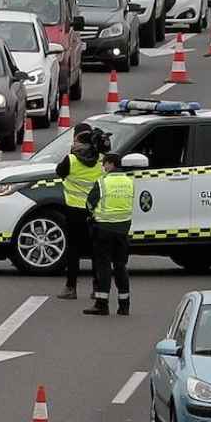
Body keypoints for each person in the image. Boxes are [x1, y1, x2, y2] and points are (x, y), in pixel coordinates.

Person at [55, 124, 105, 299]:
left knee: (74, 249)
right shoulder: (101, 159)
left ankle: (71, 288)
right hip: (95, 211)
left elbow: (59, 172)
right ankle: (97, 288)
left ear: (77, 139)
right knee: (95, 250)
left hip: (74, 210)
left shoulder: (71, 159)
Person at [83, 153, 133, 316]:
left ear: (111, 164)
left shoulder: (103, 182)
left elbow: (90, 203)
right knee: (120, 266)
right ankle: (124, 305)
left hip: (104, 229)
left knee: (103, 266)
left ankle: (101, 304)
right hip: (123, 230)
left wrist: (92, 216)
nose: (103, 168)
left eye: (104, 164)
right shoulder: (129, 182)